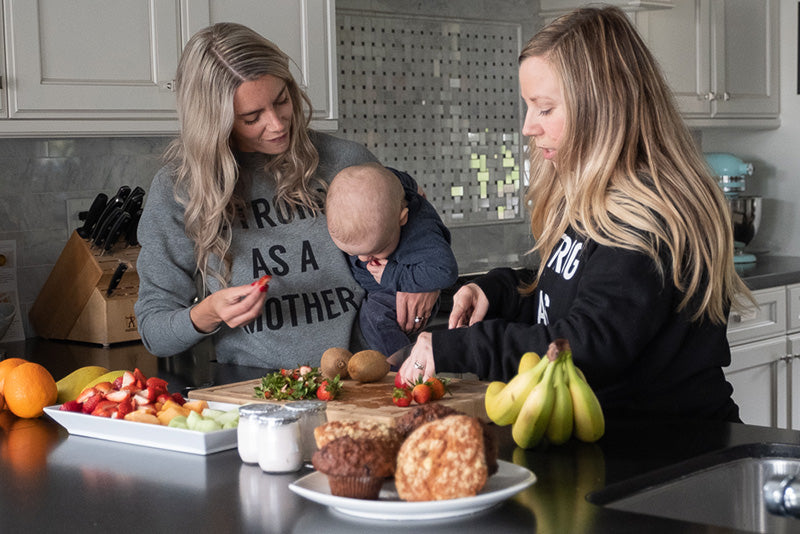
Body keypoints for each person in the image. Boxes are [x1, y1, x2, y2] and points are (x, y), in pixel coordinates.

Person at [398, 6, 753, 422]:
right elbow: (567, 299)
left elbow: (589, 343)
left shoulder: (646, 213)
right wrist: (496, 292)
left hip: (675, 457)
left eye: (544, 108)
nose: (529, 126)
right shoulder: (600, 198)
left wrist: (457, 348)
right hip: (622, 453)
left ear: (601, 106)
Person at [134, 23, 439, 368]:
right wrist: (207, 313)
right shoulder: (180, 190)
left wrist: (426, 277)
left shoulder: (346, 162)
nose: (278, 124)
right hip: (258, 393)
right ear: (215, 123)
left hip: (367, 377)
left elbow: (416, 220)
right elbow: (154, 329)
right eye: (252, 117)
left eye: (282, 101)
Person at [326, 163, 459, 356]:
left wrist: (392, 274)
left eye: (376, 251)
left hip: (405, 287)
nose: (364, 259)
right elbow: (396, 178)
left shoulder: (421, 233)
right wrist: (412, 184)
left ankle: (404, 369)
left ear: (402, 218)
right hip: (374, 291)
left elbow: (445, 271)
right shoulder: (387, 190)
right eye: (354, 254)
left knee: (376, 317)